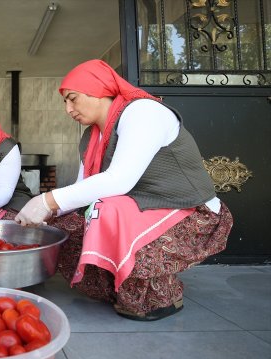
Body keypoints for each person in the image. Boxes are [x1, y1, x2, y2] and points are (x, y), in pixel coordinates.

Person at [15, 60, 233, 321]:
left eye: (72, 99)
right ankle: (115, 287)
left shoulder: (143, 113)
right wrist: (45, 214)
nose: (68, 109)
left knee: (108, 210)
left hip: (189, 210)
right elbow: (82, 187)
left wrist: (46, 200)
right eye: (65, 102)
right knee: (66, 227)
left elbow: (119, 180)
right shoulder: (91, 136)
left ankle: (161, 298)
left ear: (98, 90)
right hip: (142, 208)